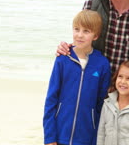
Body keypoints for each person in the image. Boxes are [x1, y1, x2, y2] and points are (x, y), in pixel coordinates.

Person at [44, 10, 111, 145]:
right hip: (60, 134)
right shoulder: (63, 59)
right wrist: (50, 137)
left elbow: (100, 105)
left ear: (96, 36)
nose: (79, 35)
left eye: (86, 31)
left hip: (86, 137)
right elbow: (51, 99)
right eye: (76, 29)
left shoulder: (102, 64)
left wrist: (95, 140)